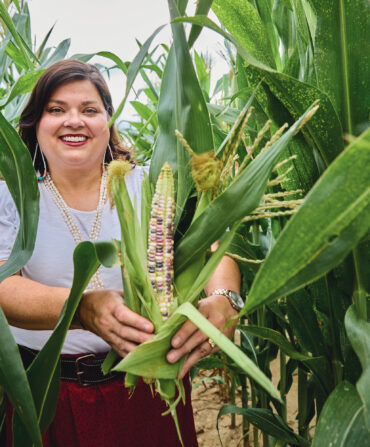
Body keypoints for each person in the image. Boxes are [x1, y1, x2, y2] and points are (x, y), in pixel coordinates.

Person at [0, 60, 241, 447]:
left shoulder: (149, 185)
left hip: (147, 387)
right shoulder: (11, 198)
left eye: (90, 110)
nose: (73, 120)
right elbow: (2, 284)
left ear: (108, 124)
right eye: (56, 110)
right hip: (49, 395)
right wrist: (81, 308)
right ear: (35, 124)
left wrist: (224, 298)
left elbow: (213, 244)